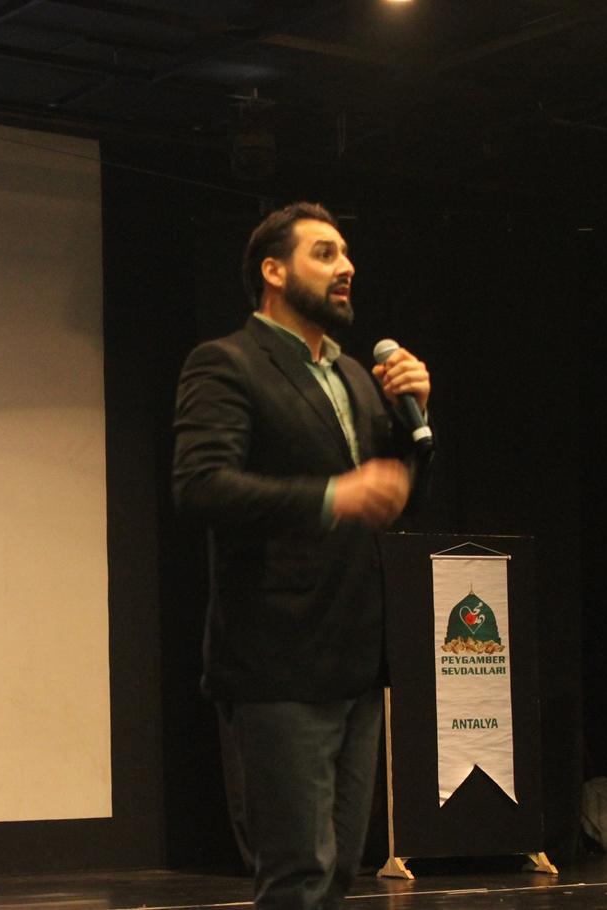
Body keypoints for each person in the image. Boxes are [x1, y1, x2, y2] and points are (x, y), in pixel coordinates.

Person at [172, 201, 431, 910]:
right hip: (276, 659)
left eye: (345, 254)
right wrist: (330, 496)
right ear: (274, 271)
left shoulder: (354, 376)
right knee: (297, 875)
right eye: (324, 253)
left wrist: (415, 421)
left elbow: (392, 494)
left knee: (339, 871)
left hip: (356, 657)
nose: (346, 267)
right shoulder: (228, 363)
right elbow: (200, 486)